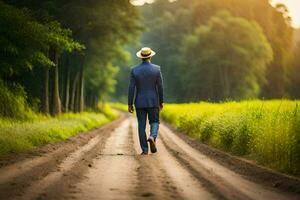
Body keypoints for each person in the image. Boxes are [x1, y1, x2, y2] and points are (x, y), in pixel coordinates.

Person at [128, 47, 164, 155]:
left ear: (141, 57)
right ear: (150, 56)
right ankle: (152, 137)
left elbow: (131, 88)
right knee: (154, 122)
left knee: (141, 125)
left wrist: (130, 103)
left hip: (139, 102)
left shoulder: (134, 70)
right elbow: (160, 86)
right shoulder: (156, 69)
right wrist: (161, 101)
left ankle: (144, 149)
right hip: (153, 101)